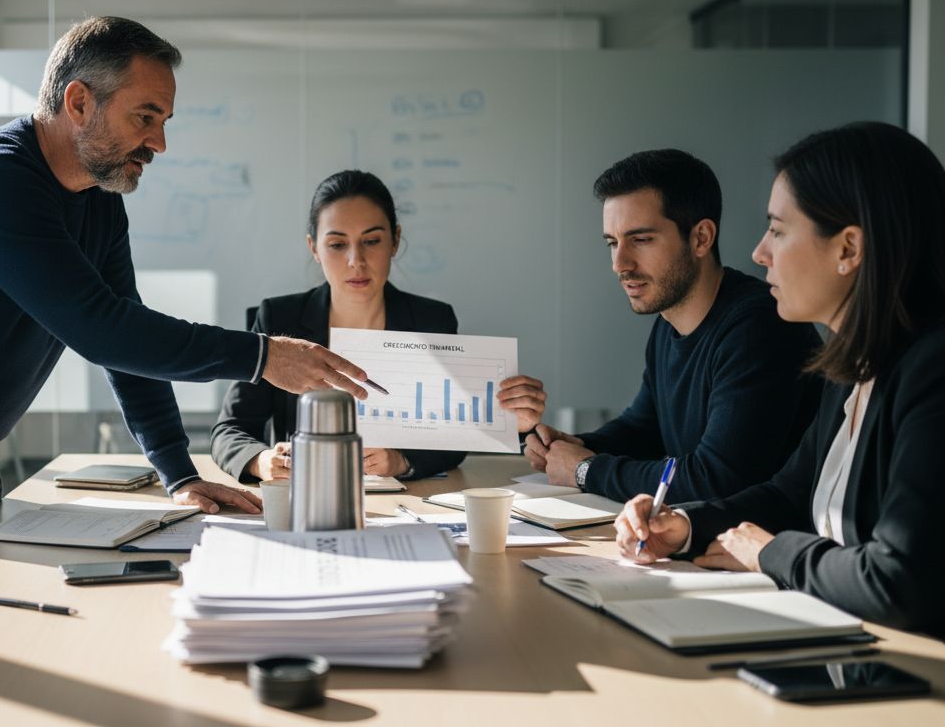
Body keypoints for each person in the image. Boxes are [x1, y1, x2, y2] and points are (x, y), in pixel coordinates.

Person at [0, 17, 372, 601]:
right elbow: (104, 332)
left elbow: (124, 336)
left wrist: (178, 473)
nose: (159, 143)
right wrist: (261, 355)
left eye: (164, 122)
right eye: (145, 117)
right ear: (78, 102)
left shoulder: (97, 201)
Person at [616, 122, 945, 638]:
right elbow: (789, 495)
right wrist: (682, 526)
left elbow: (901, 580)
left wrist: (770, 552)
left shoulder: (932, 372)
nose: (759, 253)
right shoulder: (852, 365)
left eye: (777, 229)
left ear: (848, 249)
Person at [525, 149, 822, 502]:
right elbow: (644, 429)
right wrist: (575, 446)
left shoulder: (759, 326)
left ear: (701, 238)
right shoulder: (670, 321)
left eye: (640, 240)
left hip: (761, 547)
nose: (620, 264)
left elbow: (717, 479)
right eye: (612, 242)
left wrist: (586, 469)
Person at [211, 170, 546, 481]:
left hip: (406, 503)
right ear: (314, 248)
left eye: (371, 241)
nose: (356, 260)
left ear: (395, 241)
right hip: (306, 495)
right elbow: (231, 429)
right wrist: (261, 460)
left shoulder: (432, 320)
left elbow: (452, 436)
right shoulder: (278, 318)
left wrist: (401, 460)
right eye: (337, 244)